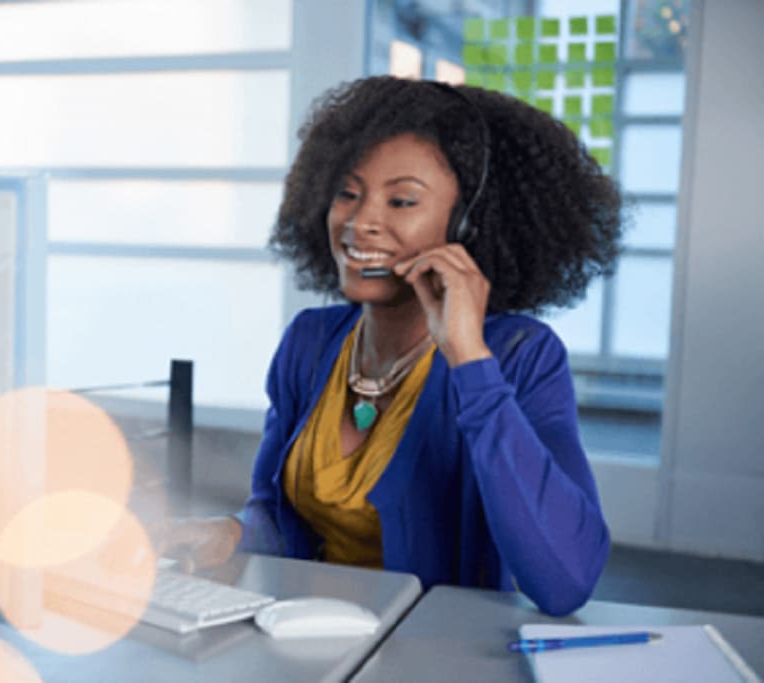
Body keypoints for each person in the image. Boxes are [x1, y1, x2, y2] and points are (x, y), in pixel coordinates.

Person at [159, 76, 622, 616]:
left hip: (435, 657)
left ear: (469, 227)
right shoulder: (310, 343)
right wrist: (232, 533)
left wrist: (470, 358)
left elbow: (567, 580)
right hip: (308, 638)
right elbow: (281, 520)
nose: (360, 224)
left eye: (401, 201)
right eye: (348, 194)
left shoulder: (520, 356)